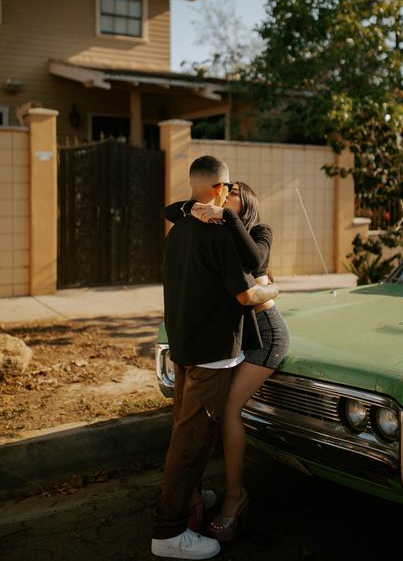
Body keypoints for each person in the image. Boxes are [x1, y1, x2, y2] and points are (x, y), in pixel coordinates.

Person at [152, 156, 279, 560]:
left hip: (185, 347)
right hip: (211, 352)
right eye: (230, 189)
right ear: (221, 190)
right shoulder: (219, 231)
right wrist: (273, 291)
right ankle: (170, 531)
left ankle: (187, 499)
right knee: (192, 440)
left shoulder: (178, 231)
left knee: (182, 432)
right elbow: (246, 294)